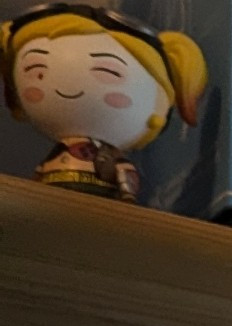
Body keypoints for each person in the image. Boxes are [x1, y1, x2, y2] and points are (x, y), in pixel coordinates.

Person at [0, 4, 204, 201]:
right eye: (38, 71)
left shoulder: (110, 156)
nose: (68, 86)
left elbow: (125, 174)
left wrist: (126, 194)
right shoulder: (62, 150)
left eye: (107, 72)